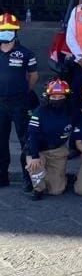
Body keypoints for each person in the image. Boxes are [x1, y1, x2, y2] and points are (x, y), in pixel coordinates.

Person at [0, 13, 37, 189]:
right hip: (0, 104)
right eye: (3, 30)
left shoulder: (26, 53)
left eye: (9, 30)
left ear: (15, 32)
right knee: (1, 141)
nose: (6, 33)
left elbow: (33, 76)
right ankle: (2, 177)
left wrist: (23, 92)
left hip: (19, 103)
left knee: (25, 140)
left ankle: (28, 177)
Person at [25, 79, 73, 200]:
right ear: (48, 96)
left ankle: (53, 177)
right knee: (35, 166)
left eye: (60, 96)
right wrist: (34, 156)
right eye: (54, 96)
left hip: (57, 151)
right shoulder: (40, 111)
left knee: (57, 191)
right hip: (39, 150)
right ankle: (37, 188)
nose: (57, 99)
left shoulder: (72, 111)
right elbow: (32, 135)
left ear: (66, 96)